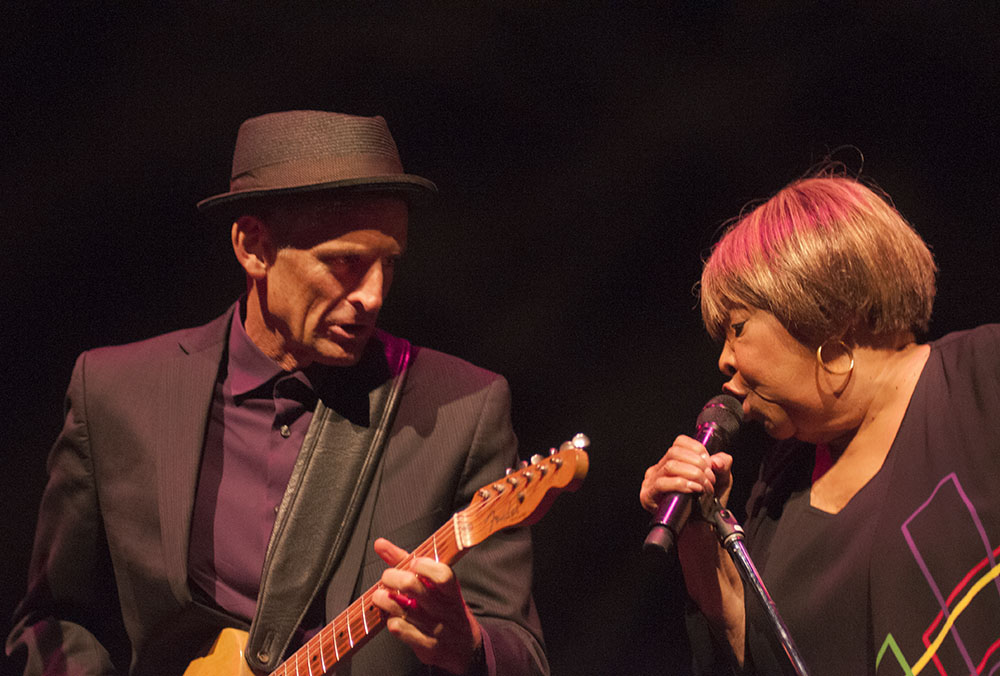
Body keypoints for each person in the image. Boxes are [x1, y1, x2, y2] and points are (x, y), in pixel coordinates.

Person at [6, 110, 549, 676]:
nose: (374, 295)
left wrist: (468, 644)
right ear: (252, 246)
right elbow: (55, 621)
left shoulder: (461, 406)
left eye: (389, 264)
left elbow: (523, 653)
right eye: (345, 262)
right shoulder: (118, 394)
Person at [640, 174, 1000, 676]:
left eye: (738, 327)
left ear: (820, 306)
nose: (724, 359)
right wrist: (706, 555)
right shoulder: (777, 492)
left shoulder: (984, 378)